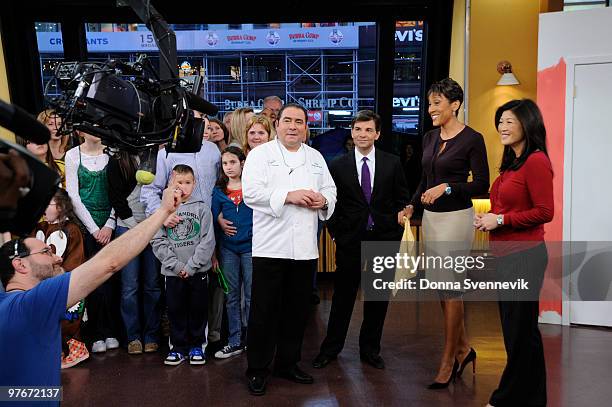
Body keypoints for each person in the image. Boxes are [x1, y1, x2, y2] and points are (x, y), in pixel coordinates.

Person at [0, 183, 181, 398]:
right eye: (46, 251)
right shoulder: (34, 302)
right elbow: (109, 262)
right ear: (20, 265)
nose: (57, 257)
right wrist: (163, 211)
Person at [242, 103, 336, 396]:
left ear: (306, 127)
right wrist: (289, 196)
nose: (293, 126)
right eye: (287, 121)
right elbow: (251, 194)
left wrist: (324, 201)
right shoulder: (260, 155)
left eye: (299, 122)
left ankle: (288, 363)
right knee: (263, 312)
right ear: (277, 124)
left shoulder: (316, 158)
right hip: (271, 248)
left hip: (305, 250)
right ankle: (257, 369)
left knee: (297, 312)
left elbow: (330, 190)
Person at [405, 78, 489, 389]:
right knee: (442, 289)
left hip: (456, 219)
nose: (431, 110)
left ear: (454, 104)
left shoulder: (472, 139)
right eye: (429, 104)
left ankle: (448, 358)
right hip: (431, 220)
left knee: (451, 289)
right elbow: (424, 180)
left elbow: (482, 184)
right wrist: (412, 206)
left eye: (436, 103)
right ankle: (464, 350)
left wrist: (449, 187)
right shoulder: (429, 137)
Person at [312, 110, 411, 370]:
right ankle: (330, 350)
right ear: (352, 132)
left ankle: (370, 350)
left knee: (377, 299)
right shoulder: (337, 165)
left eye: (368, 130)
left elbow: (402, 199)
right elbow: (331, 204)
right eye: (358, 129)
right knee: (342, 298)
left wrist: (396, 228)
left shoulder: (392, 162)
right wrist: (338, 234)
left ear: (377, 134)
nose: (362, 134)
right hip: (350, 240)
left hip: (384, 239)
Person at [474, 99, 553, 407]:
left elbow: (545, 211)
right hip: (506, 254)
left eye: (509, 121)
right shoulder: (512, 162)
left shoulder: (535, 160)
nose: (502, 127)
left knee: (520, 332)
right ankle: (532, 398)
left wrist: (501, 219)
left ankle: (507, 397)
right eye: (500, 121)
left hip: (525, 255)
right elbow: (509, 206)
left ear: (527, 124)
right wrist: (490, 217)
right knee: (517, 331)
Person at [151, 164, 215, 366]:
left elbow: (208, 241)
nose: (184, 187)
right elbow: (157, 241)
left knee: (198, 309)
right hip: (173, 273)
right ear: (171, 183)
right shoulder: (164, 211)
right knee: (175, 309)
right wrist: (177, 266)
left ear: (194, 184)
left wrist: (191, 266)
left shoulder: (202, 208)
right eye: (180, 182)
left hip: (197, 271)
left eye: (188, 183)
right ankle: (177, 348)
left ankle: (197, 346)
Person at [65, 131, 120, 353]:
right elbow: (73, 195)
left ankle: (113, 331)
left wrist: (110, 224)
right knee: (92, 281)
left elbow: (119, 192)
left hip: (111, 224)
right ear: (80, 131)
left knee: (113, 280)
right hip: (86, 228)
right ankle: (96, 333)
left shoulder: (112, 155)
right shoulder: (72, 156)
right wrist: (95, 229)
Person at [107, 151, 160, 355]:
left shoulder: (156, 156)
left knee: (152, 284)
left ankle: (152, 336)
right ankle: (133, 337)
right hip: (127, 227)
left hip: (153, 226)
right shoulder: (118, 159)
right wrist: (135, 227)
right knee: (130, 286)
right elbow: (116, 197)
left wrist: (152, 224)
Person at [33, 189, 87, 369]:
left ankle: (77, 349)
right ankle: (56, 352)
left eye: (48, 204)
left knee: (69, 318)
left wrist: (61, 270)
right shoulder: (39, 229)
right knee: (47, 321)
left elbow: (76, 260)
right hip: (43, 285)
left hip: (65, 284)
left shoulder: (71, 230)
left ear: (61, 206)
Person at [211, 147, 253, 359]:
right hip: (227, 249)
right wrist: (214, 254)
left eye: (233, 162)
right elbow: (213, 220)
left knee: (251, 297)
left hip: (251, 248)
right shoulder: (219, 191)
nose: (228, 167)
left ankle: (253, 341)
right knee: (231, 296)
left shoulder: (253, 187)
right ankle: (235, 341)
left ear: (243, 163)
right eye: (225, 163)